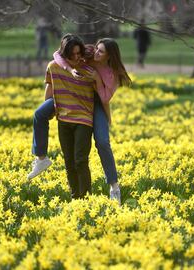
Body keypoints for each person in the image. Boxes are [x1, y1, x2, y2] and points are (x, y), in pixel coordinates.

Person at [28, 37, 131, 204]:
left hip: (96, 102)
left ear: (109, 55)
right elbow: (58, 54)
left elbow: (105, 98)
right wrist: (69, 70)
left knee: (103, 142)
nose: (96, 52)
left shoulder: (112, 75)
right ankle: (41, 158)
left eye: (101, 51)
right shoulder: (88, 53)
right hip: (69, 95)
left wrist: (97, 79)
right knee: (39, 114)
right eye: (97, 48)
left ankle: (114, 186)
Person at [45, 34, 95, 199]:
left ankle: (87, 197)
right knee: (69, 162)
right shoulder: (53, 67)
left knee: (80, 160)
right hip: (63, 120)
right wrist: (47, 110)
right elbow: (49, 90)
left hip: (84, 119)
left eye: (78, 53)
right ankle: (76, 197)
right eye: (71, 54)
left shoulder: (88, 70)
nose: (76, 57)